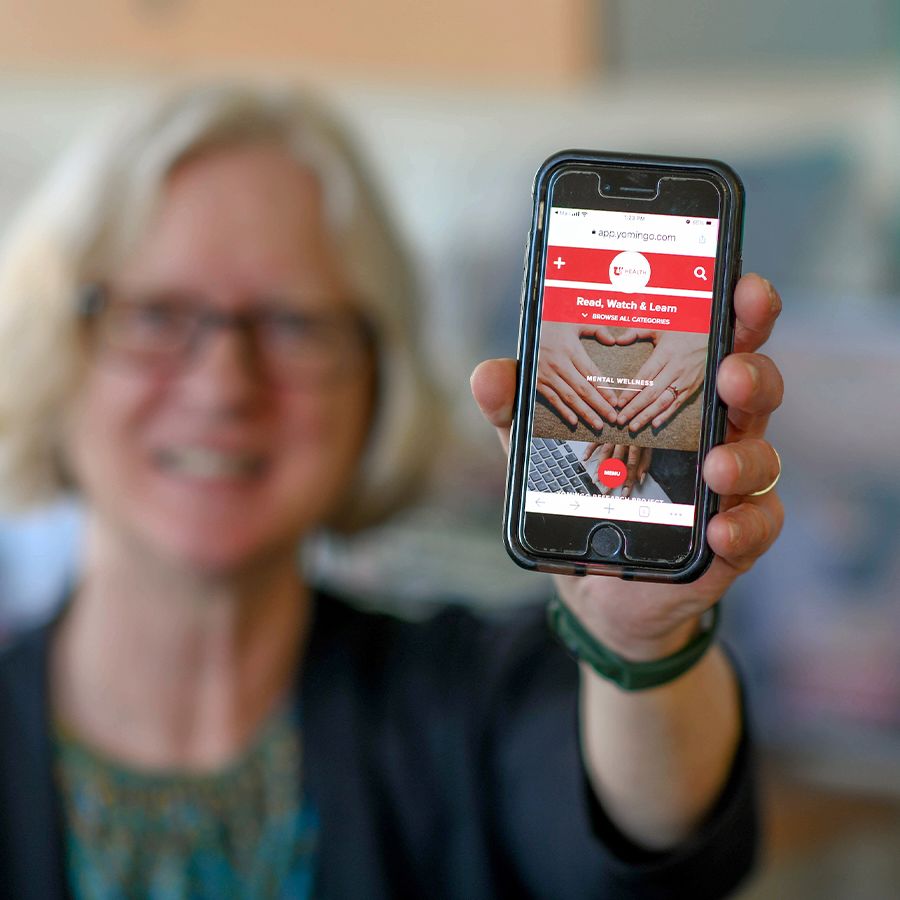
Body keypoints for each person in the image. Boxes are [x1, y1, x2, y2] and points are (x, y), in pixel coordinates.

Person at [0, 85, 784, 899]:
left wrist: (641, 651)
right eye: (157, 315)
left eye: (292, 325)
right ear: (56, 354)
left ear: (376, 384)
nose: (223, 385)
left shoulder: (478, 701)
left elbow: (651, 854)